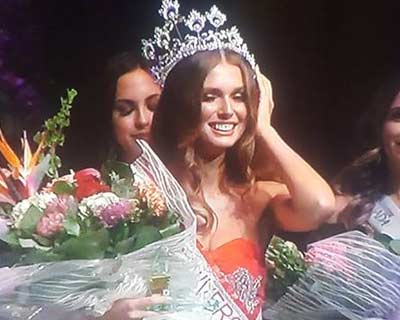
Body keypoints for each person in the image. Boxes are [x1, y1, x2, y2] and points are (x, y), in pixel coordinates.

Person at [102, 2, 335, 319]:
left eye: (239, 96)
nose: (228, 110)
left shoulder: (257, 198)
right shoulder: (139, 198)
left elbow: (320, 206)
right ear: (183, 103)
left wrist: (264, 127)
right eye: (210, 96)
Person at [105, 51, 161, 163]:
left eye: (154, 106)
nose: (142, 120)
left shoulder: (196, 175)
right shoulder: (95, 180)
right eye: (126, 110)